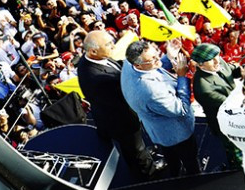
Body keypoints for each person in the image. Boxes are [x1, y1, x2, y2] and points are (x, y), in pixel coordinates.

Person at [77, 30, 160, 178]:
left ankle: (141, 156)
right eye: (108, 44)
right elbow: (127, 89)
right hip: (121, 120)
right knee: (135, 148)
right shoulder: (98, 78)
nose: (113, 46)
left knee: (133, 146)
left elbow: (118, 67)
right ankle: (148, 171)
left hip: (110, 113)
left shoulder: (92, 59)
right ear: (93, 50)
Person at [121, 38, 201, 177]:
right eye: (153, 58)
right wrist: (182, 77)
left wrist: (168, 56)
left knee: (171, 156)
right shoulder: (150, 90)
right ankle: (194, 179)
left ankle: (174, 172)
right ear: (138, 65)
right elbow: (181, 109)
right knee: (190, 160)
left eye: (157, 54)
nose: (158, 59)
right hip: (177, 133)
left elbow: (153, 67)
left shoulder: (129, 65)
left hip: (159, 131)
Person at [192, 44, 245, 172]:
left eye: (217, 56)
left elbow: (232, 70)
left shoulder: (217, 62)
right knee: (235, 149)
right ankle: (237, 170)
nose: (217, 60)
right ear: (200, 65)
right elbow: (230, 105)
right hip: (227, 124)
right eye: (211, 60)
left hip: (239, 116)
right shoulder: (203, 88)